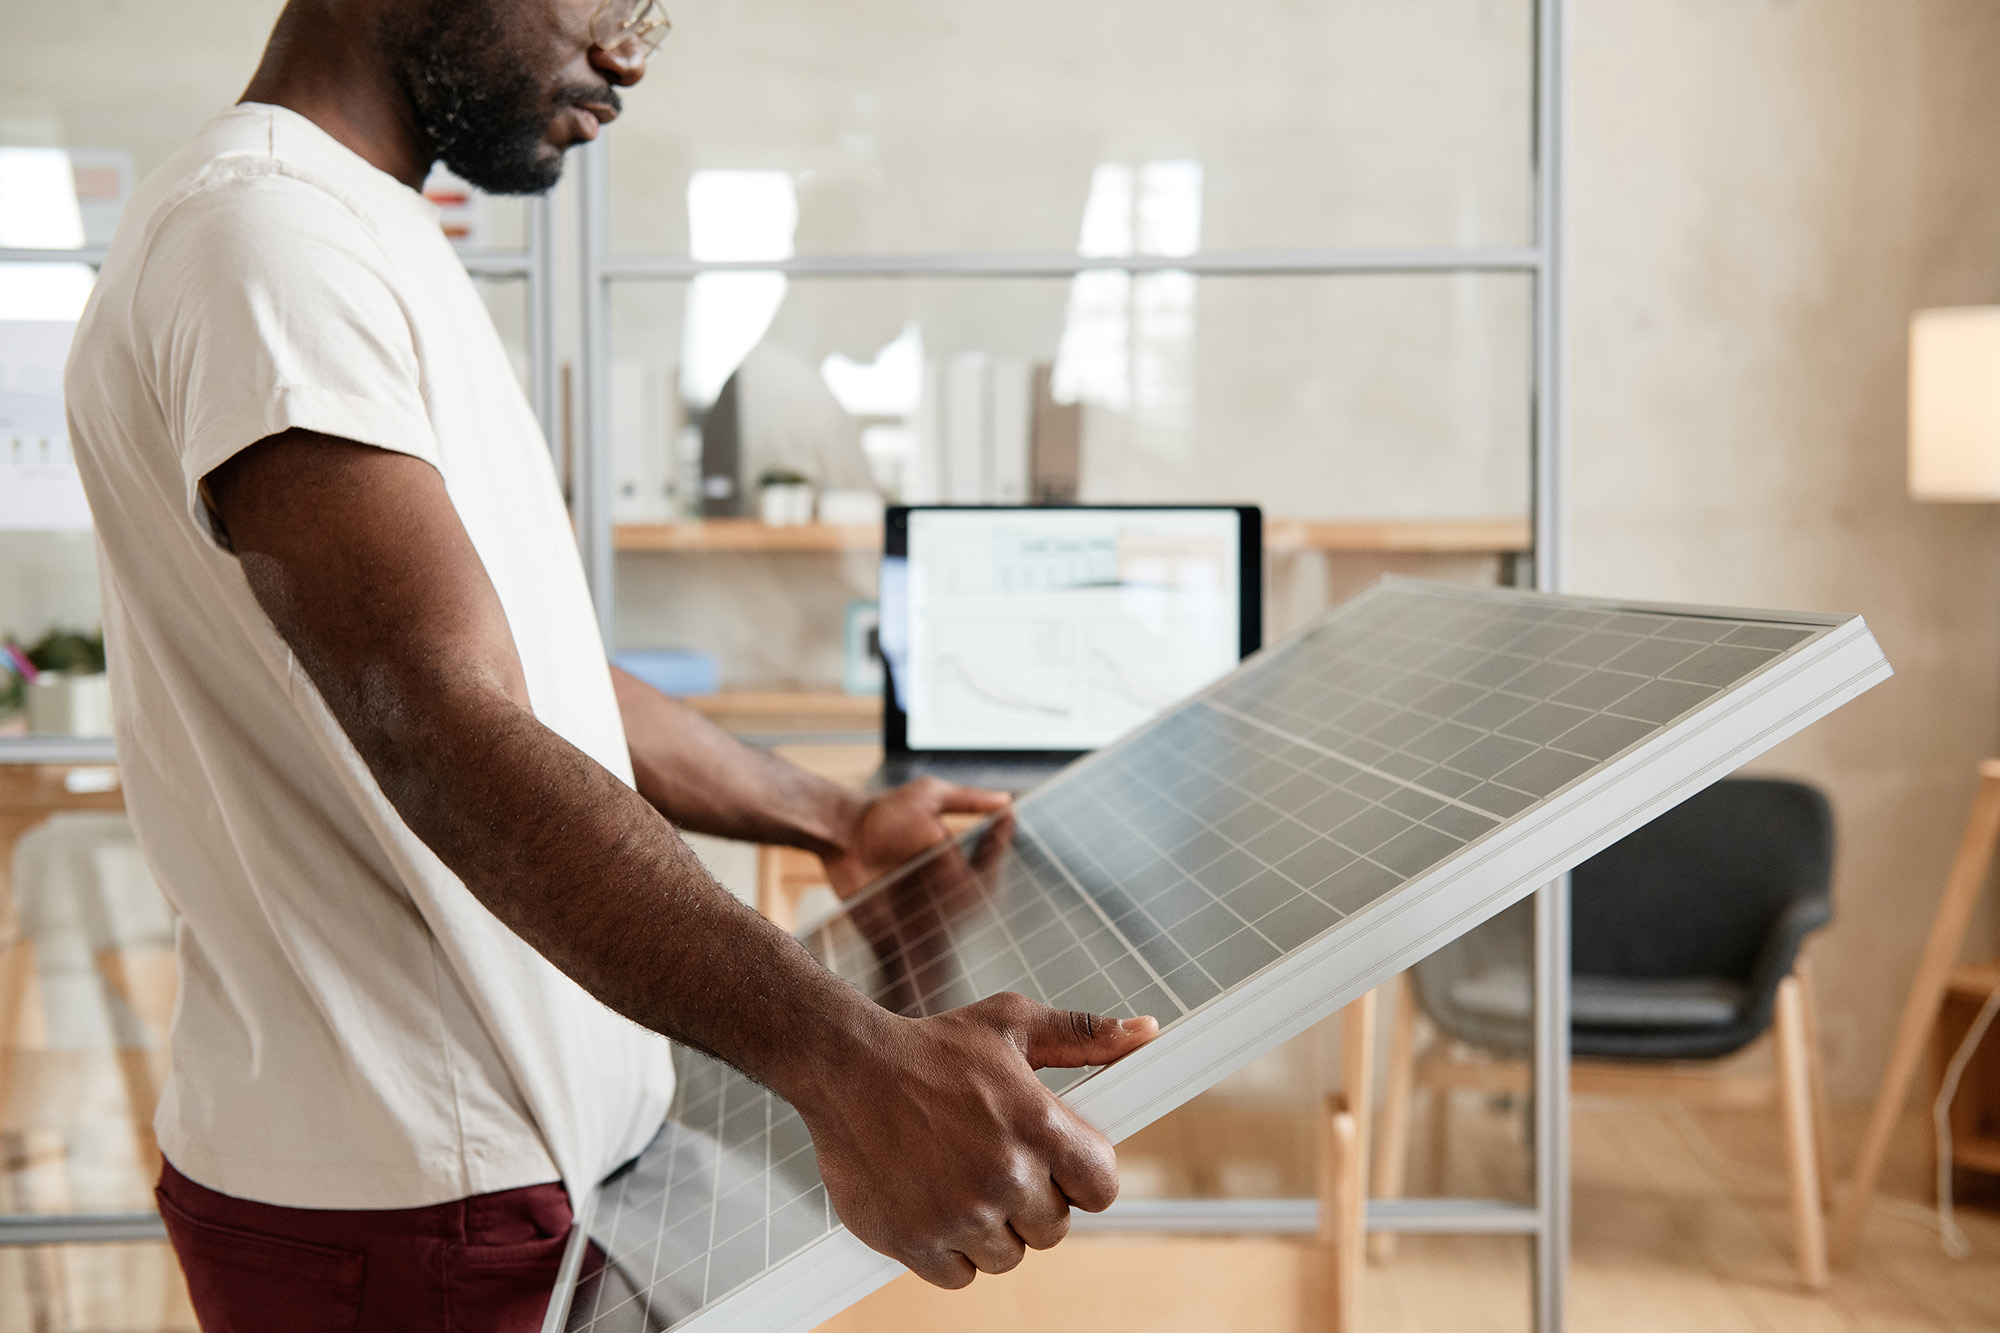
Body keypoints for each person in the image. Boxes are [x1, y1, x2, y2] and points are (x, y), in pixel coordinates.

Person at [63, 1, 1158, 1328]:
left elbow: (524, 661)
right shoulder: (265, 240)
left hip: (508, 1170)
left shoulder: (346, 224)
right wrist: (848, 1057)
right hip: (423, 1201)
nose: (632, 49)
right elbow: (439, 720)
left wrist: (828, 815)